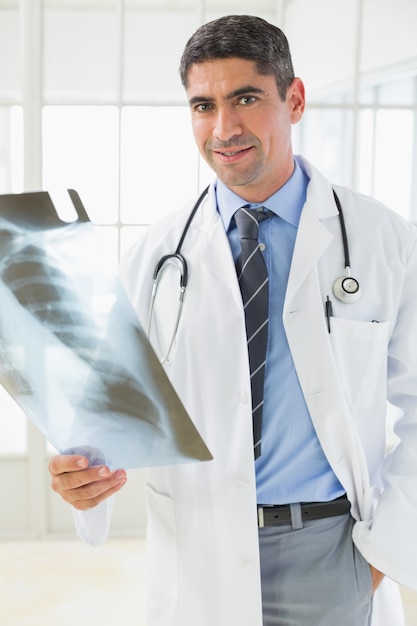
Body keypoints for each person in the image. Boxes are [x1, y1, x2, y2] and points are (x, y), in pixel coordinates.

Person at [48, 14, 417, 626]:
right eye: (203, 105)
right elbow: (106, 416)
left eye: (245, 98)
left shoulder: (382, 240)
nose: (223, 128)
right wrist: (78, 475)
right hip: (200, 552)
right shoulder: (156, 255)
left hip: (332, 552)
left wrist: (380, 555)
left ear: (293, 100)